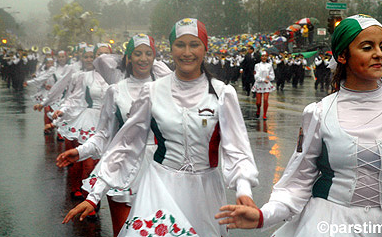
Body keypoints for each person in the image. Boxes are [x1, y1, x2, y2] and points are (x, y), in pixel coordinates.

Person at [216, 14, 382, 237]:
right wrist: (262, 216)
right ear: (342, 55)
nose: (379, 54)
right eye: (367, 47)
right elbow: (297, 183)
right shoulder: (319, 113)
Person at [63, 18, 259, 237]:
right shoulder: (152, 92)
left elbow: (237, 149)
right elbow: (127, 144)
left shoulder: (222, 93)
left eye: (194, 44)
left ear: (205, 48)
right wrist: (94, 194)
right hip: (159, 186)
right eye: (180, 45)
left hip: (205, 192)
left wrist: (244, 189)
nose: (187, 52)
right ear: (171, 49)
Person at [56, 34, 160, 237]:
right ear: (128, 58)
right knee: (122, 233)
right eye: (137, 53)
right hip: (122, 167)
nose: (143, 58)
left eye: (148, 53)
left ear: (155, 57)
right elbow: (104, 134)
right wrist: (81, 150)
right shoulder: (116, 91)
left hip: (159, 168)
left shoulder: (167, 88)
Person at [51, 46, 109, 207]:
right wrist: (62, 110)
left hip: (111, 123)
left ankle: (92, 195)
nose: (100, 57)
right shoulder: (85, 76)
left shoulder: (120, 77)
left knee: (102, 164)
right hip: (91, 120)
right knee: (88, 162)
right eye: (98, 54)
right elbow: (73, 98)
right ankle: (87, 199)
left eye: (106, 53)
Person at [251, 51, 275, 120]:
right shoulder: (257, 65)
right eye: (263, 56)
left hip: (266, 84)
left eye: (265, 56)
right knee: (258, 102)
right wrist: (262, 79)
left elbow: (272, 75)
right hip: (259, 84)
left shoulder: (269, 65)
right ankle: (258, 110)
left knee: (265, 99)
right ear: (260, 57)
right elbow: (256, 76)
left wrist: (269, 77)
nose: (264, 57)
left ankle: (264, 114)